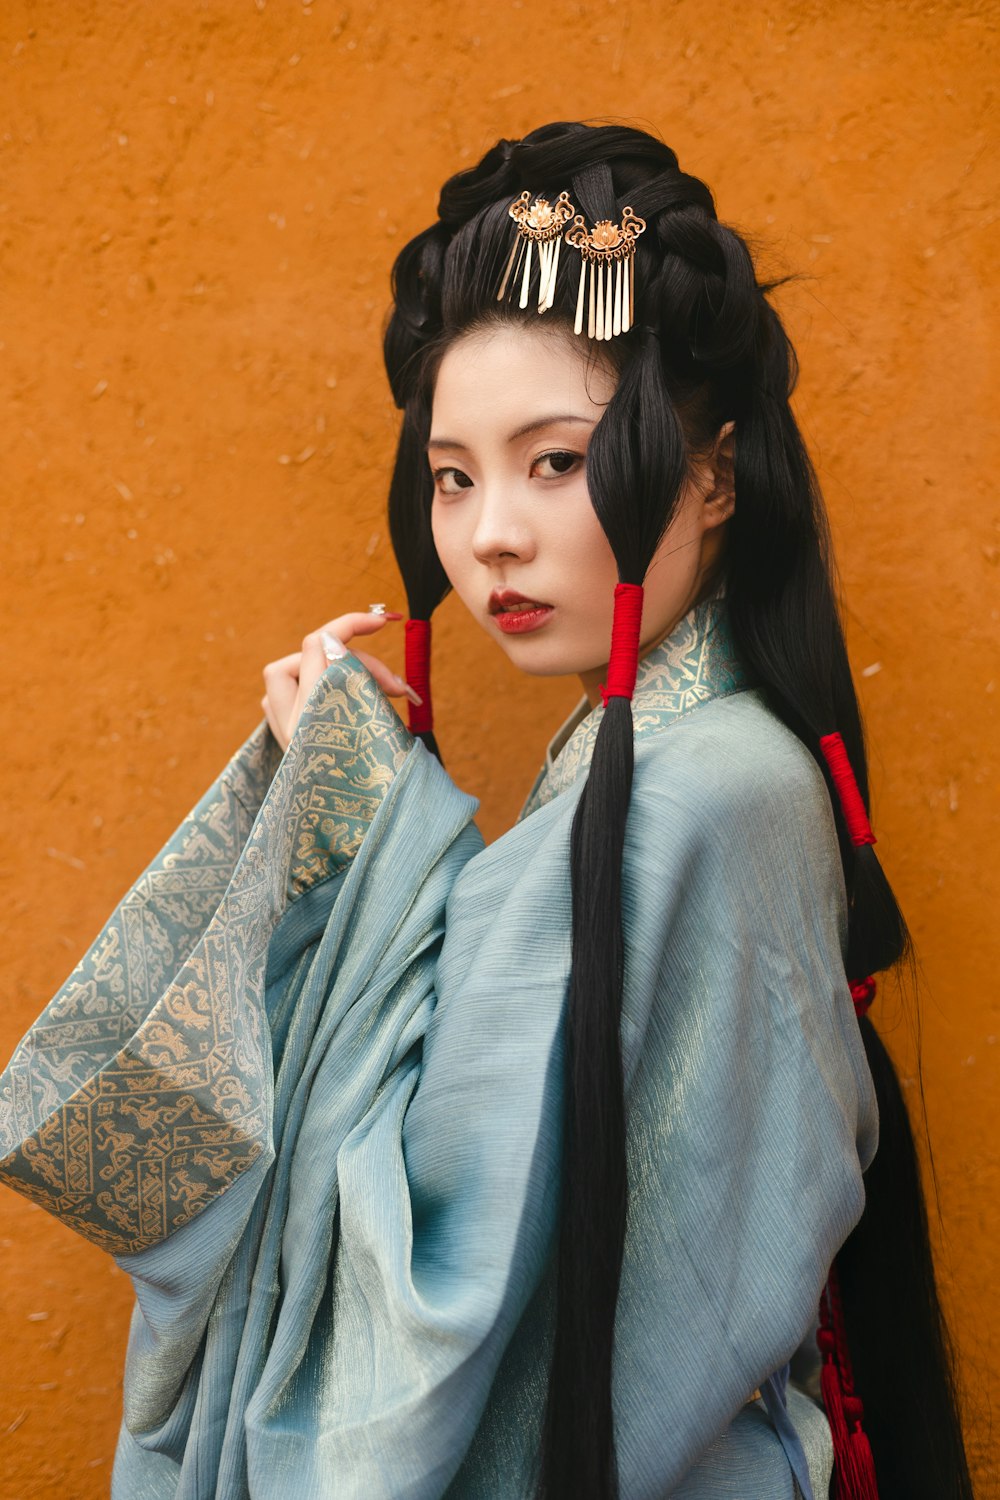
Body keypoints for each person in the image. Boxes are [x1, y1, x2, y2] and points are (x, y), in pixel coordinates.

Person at [0, 122, 973, 1499]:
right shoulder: (663, 757)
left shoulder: (709, 790)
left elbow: (452, 1274)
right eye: (453, 476)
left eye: (556, 463)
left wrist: (369, 826)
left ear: (714, 473)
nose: (488, 535)